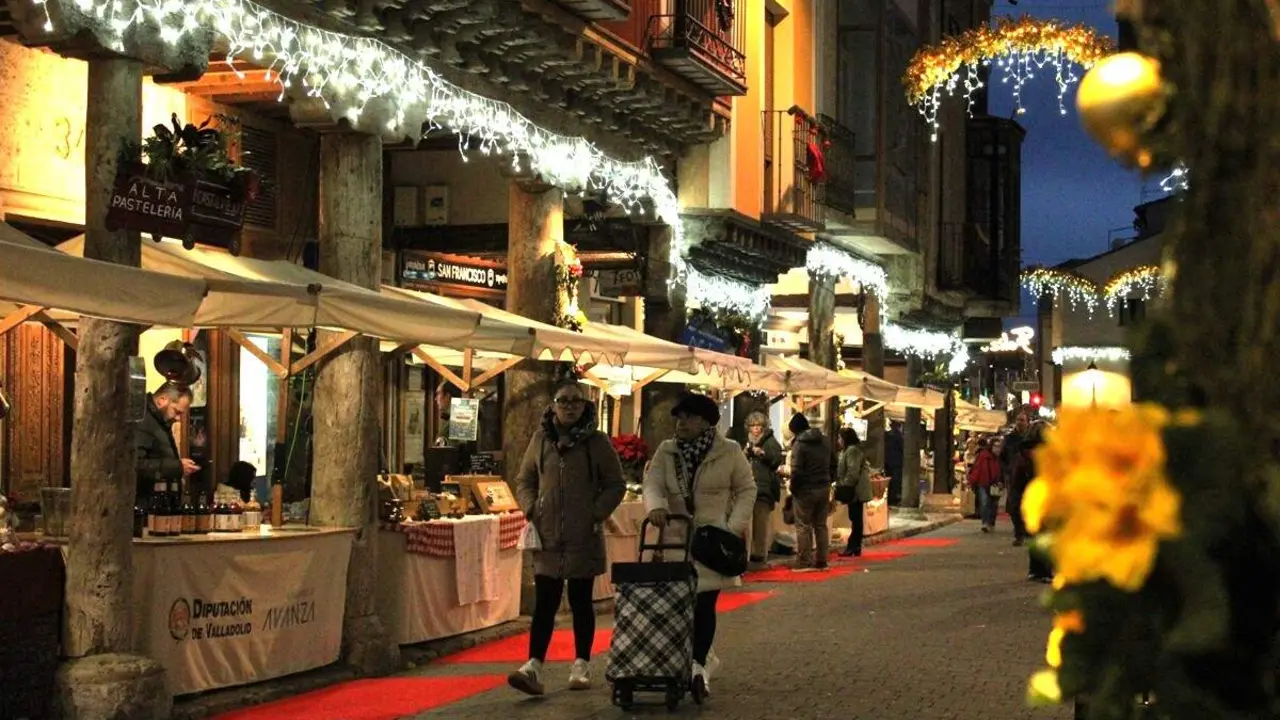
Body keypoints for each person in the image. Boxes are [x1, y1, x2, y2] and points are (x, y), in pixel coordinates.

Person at [509, 381, 625, 696]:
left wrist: (595, 513)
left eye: (575, 401)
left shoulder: (597, 442)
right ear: (553, 405)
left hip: (582, 533)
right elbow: (525, 479)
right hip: (547, 535)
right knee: (545, 602)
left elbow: (616, 484)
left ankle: (581, 663)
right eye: (563, 401)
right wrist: (531, 507)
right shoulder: (540, 440)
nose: (569, 407)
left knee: (580, 599)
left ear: (584, 405)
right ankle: (533, 664)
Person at [644, 393, 755, 699]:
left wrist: (732, 528)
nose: (681, 423)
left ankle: (697, 667)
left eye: (689, 418)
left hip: (711, 541)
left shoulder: (729, 451)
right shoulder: (667, 452)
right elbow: (652, 484)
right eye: (679, 418)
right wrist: (655, 505)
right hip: (676, 538)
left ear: (705, 421)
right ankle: (687, 661)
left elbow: (747, 488)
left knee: (704, 603)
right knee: (678, 604)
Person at [135, 382, 198, 502]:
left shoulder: (159, 422)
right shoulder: (143, 420)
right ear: (162, 400)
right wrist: (177, 467)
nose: (178, 418)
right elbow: (136, 465)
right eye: (177, 411)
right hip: (146, 506)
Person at [786, 413, 833, 570]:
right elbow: (834, 463)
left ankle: (803, 561)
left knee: (803, 525)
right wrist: (828, 480)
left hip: (805, 489)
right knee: (821, 525)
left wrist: (794, 489)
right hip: (824, 487)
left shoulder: (800, 444)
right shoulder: (825, 441)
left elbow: (796, 470)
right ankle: (822, 560)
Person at [742, 411, 783, 566]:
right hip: (748, 486)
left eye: (759, 425)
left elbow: (776, 460)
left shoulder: (770, 441)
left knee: (761, 522)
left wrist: (763, 454)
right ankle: (748, 551)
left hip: (764, 488)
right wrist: (746, 453)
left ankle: (759, 553)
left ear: (764, 426)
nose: (756, 429)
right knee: (747, 522)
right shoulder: (749, 441)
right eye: (753, 426)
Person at [835, 427, 872, 557]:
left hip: (855, 490)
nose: (838, 441)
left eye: (840, 438)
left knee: (855, 518)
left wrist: (844, 484)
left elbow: (852, 472)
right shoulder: (851, 450)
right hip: (856, 489)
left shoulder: (852, 451)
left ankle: (853, 545)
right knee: (855, 517)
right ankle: (855, 546)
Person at [1000, 409, 1034, 546]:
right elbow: (1002, 457)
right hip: (1014, 477)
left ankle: (1029, 530)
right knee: (1014, 506)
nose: (1020, 423)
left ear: (1027, 422)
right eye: (1018, 420)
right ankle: (1019, 533)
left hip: (1030, 476)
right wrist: (1007, 470)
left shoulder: (1033, 437)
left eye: (1022, 420)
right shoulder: (1009, 439)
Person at [967, 436, 1002, 532]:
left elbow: (1002, 471)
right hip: (983, 482)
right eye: (995, 446)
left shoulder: (1000, 458)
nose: (997, 448)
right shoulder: (984, 456)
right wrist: (972, 481)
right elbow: (977, 469)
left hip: (995, 484)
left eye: (999, 446)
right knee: (984, 503)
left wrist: (1001, 481)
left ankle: (991, 522)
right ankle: (985, 522)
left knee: (993, 504)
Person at [885, 421, 905, 506]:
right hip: (896, 463)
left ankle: (890, 498)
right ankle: (893, 499)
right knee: (895, 482)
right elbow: (903, 449)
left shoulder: (887, 435)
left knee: (890, 482)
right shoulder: (899, 436)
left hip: (888, 461)